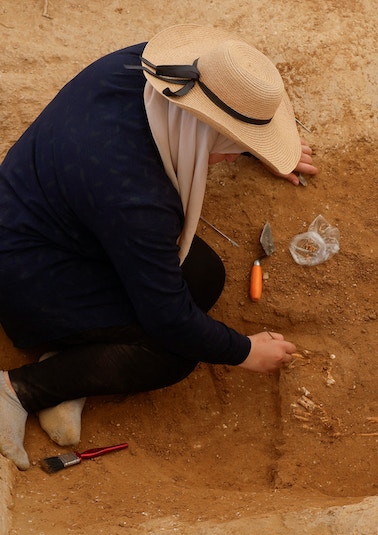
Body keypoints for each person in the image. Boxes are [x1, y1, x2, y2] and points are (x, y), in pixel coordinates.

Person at [0, 24, 318, 470]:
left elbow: (204, 114)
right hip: (29, 277)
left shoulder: (143, 66)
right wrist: (244, 352)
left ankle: (77, 362)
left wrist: (262, 147)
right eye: (228, 147)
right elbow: (169, 320)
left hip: (44, 212)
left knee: (204, 275)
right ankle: (20, 388)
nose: (228, 157)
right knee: (173, 354)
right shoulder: (136, 198)